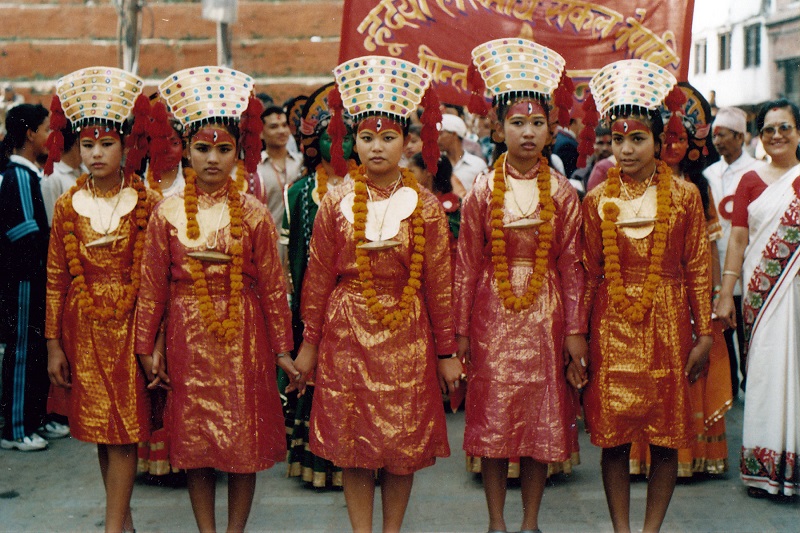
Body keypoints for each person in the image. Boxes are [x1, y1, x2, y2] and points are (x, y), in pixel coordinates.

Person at [292, 55, 463, 532]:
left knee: (401, 443)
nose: (376, 147)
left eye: (388, 137)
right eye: (366, 137)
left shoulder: (426, 207)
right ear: (353, 142)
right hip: (347, 330)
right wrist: (309, 346)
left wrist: (446, 351)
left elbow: (438, 286)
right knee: (354, 442)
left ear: (407, 143)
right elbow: (319, 277)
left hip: (406, 331)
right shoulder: (335, 200)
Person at [135, 66, 302, 531]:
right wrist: (146, 347)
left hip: (242, 334)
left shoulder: (252, 213)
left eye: (223, 149)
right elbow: (152, 287)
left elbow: (272, 286)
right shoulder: (166, 213)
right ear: (186, 149)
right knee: (197, 440)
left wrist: (283, 351)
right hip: (187, 335)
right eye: (202, 148)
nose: (212, 159)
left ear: (237, 153)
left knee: (242, 439)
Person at [457, 38, 587, 533]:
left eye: (537, 123)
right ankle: (496, 521)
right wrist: (461, 332)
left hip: (546, 315)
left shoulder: (562, 193)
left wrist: (575, 331)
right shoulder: (480, 190)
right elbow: (466, 264)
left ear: (552, 129)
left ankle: (531, 520)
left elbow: (573, 266)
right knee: (493, 423)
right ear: (498, 128)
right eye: (517, 123)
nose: (527, 133)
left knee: (539, 424)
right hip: (493, 313)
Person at [582, 60, 713, 532]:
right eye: (618, 139)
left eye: (637, 139)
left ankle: (651, 529)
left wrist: (704, 334)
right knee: (613, 440)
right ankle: (621, 529)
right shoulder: (595, 202)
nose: (627, 149)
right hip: (612, 323)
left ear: (659, 142)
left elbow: (698, 265)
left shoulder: (684, 196)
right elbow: (589, 270)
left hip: (669, 320)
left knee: (665, 439)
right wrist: (579, 334)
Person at [44, 67, 158, 533]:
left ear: (126, 147)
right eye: (87, 144)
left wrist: (153, 340)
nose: (95, 153)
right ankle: (123, 523)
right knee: (98, 428)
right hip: (83, 324)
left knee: (125, 430)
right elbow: (56, 277)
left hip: (129, 324)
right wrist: (53, 344)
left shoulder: (147, 202)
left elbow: (154, 281)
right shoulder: (67, 205)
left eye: (106, 144)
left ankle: (112, 528)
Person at [628, 84, 733, 478]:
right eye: (666, 137)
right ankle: (646, 455)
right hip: (639, 298)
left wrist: (714, 299)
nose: (672, 144)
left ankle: (692, 456)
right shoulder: (628, 184)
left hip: (686, 293)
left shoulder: (696, 188)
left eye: (679, 136)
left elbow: (709, 252)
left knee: (689, 371)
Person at [715, 99, 800, 499]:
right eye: (768, 129)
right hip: (761, 294)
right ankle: (762, 467)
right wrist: (726, 293)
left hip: (797, 293)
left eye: (784, 127)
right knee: (764, 373)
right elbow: (737, 238)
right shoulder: (749, 179)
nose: (777, 135)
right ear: (759, 136)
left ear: (798, 132)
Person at [279, 82, 355, 489]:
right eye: (330, 137)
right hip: (312, 308)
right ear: (313, 142)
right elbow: (291, 261)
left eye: (346, 136)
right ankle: (317, 462)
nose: (338, 145)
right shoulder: (299, 193)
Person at [0, 104, 53, 452]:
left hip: (31, 279)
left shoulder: (29, 174)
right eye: (46, 128)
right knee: (22, 351)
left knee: (34, 349)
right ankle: (15, 428)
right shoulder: (18, 176)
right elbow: (23, 234)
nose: (51, 135)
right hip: (21, 280)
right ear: (30, 133)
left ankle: (33, 420)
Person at [703, 106, 758, 397]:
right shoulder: (710, 173)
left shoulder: (756, 171)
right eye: (715, 136)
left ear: (739, 136)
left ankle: (752, 381)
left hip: (747, 261)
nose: (717, 141)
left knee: (748, 328)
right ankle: (730, 387)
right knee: (724, 328)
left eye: (723, 135)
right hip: (718, 261)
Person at [438, 113, 486, 195]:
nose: (437, 138)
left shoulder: (477, 165)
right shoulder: (437, 164)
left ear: (454, 134)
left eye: (440, 134)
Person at [572, 125, 612, 195]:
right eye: (600, 143)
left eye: (609, 143)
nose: (605, 148)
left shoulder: (625, 173)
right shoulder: (579, 176)